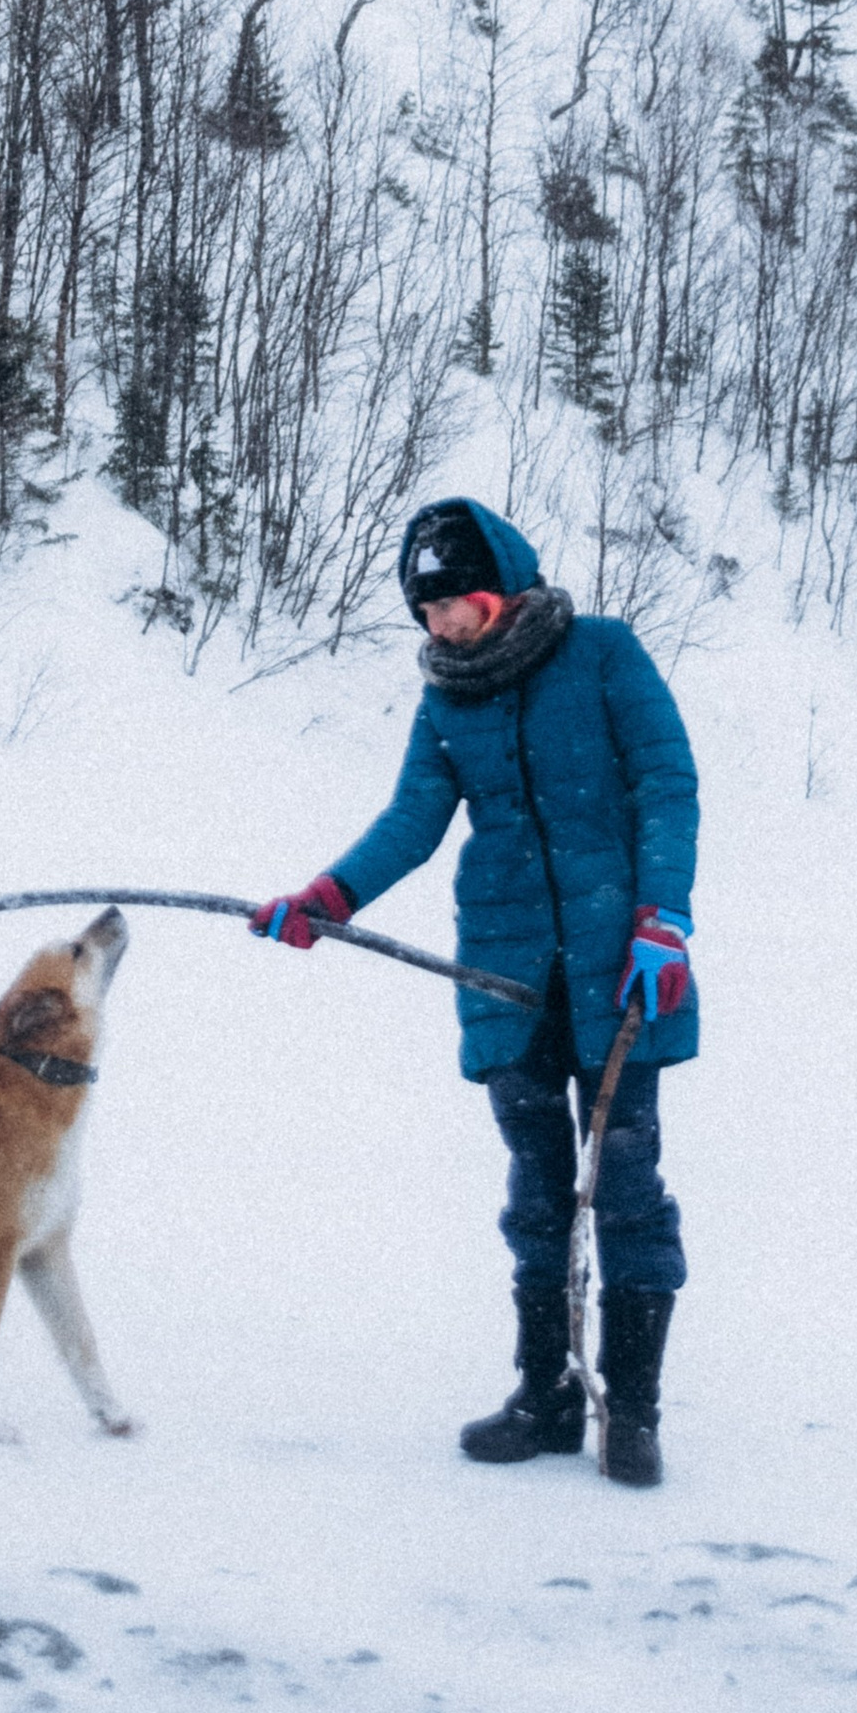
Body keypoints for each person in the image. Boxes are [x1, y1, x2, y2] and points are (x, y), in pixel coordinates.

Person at [250, 495, 699, 1484]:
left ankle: (633, 1410)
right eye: (426, 611)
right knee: (537, 1194)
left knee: (623, 1187)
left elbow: (665, 781)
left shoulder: (603, 654)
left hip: (622, 962)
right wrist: (329, 896)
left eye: (455, 600)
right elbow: (414, 815)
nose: (442, 623)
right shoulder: (446, 699)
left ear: (502, 581)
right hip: (503, 971)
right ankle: (544, 1399)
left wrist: (662, 913)